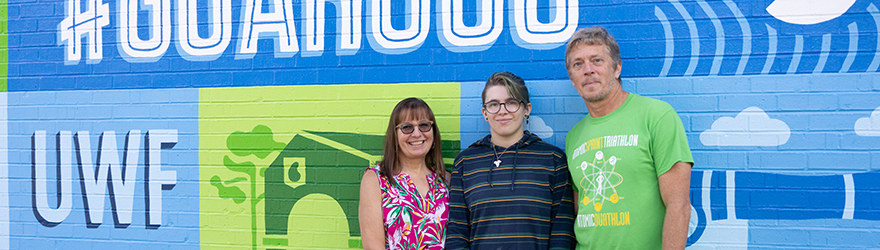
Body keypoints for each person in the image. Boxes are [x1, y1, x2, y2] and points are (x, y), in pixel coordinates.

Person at [564, 26, 694, 250]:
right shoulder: (574, 136)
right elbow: (580, 210)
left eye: (597, 60)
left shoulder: (656, 116)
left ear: (617, 69)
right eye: (578, 64)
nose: (588, 70)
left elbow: (678, 205)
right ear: (573, 79)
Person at [446, 72, 576, 249]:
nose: (502, 111)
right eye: (494, 104)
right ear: (485, 113)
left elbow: (562, 232)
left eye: (511, 103)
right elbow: (457, 232)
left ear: (527, 109)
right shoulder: (466, 162)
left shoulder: (552, 159)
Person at [359, 97, 450, 250]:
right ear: (395, 136)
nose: (416, 134)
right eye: (407, 127)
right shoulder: (376, 179)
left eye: (424, 125)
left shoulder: (445, 180)